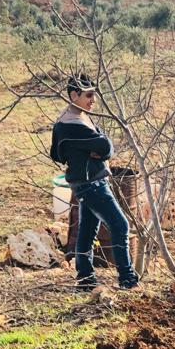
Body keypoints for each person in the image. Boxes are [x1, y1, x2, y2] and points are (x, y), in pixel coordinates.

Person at [50, 74, 139, 291]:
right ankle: (127, 278)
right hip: (93, 184)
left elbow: (56, 153)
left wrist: (83, 152)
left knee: (87, 232)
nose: (93, 101)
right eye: (89, 95)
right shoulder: (76, 125)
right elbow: (107, 147)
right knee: (120, 225)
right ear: (74, 95)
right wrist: (94, 149)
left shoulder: (66, 120)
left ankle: (85, 279)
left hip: (82, 183)